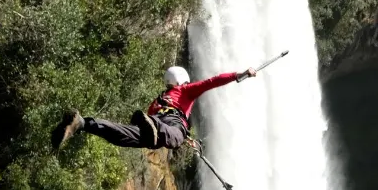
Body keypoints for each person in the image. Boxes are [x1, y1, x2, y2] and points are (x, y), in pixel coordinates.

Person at [51, 65, 257, 150]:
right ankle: (155, 128)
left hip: (155, 122)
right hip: (170, 123)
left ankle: (83, 123)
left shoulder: (159, 99)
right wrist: (240, 74)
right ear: (183, 80)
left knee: (122, 136)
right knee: (175, 138)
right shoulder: (185, 91)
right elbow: (212, 81)